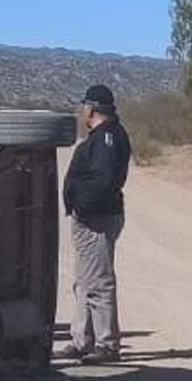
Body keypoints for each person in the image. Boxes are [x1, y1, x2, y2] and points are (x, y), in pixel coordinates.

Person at [57, 84, 133, 364]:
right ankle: (82, 339)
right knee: (85, 281)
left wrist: (82, 205)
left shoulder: (107, 140)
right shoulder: (105, 136)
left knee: (98, 281)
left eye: (83, 108)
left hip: (96, 218)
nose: (80, 112)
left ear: (91, 109)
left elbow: (104, 181)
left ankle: (107, 344)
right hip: (95, 216)